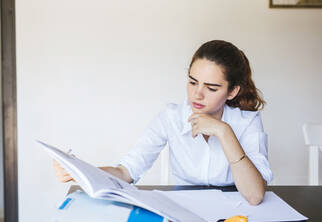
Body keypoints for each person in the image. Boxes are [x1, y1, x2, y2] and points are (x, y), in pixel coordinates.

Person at [54, 40, 273, 205]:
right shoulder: (171, 117)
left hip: (236, 212)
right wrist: (81, 170)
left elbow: (254, 196)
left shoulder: (247, 121)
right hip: (187, 210)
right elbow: (126, 172)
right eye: (192, 82)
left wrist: (224, 132)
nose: (197, 94)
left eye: (211, 88)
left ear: (232, 91)